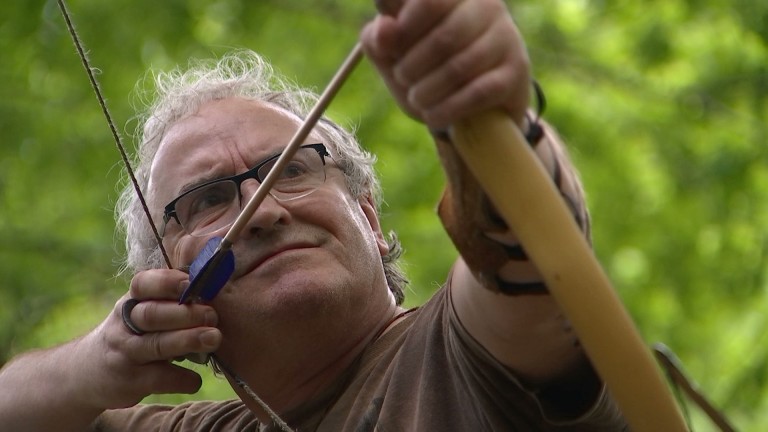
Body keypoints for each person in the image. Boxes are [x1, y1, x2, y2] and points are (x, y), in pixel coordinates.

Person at [0, 0, 628, 430]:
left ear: (370, 220)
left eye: (294, 169)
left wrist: (484, 119)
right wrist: (96, 362)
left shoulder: (460, 349)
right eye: (209, 199)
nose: (264, 209)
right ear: (173, 281)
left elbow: (524, 260)